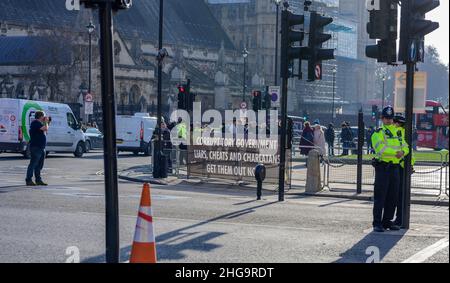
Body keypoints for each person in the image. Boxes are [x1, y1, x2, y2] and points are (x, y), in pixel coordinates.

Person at [371, 106, 409, 232]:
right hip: (383, 167)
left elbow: (406, 146)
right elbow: (380, 149)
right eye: (386, 118)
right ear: (382, 118)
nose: (388, 120)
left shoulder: (398, 132)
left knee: (392, 197)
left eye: (390, 118)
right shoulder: (378, 133)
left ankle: (387, 221)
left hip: (395, 168)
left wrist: (403, 151)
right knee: (380, 197)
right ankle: (377, 223)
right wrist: (396, 153)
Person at [393, 115, 416, 227]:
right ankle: (400, 219)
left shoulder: (397, 133)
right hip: (405, 167)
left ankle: (399, 219)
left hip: (399, 166)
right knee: (402, 195)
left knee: (399, 196)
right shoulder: (405, 133)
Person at [26, 111, 50, 186]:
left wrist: (47, 122)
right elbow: (45, 128)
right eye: (44, 116)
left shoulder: (39, 124)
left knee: (39, 165)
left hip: (41, 147)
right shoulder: (35, 123)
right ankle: (28, 180)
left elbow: (46, 129)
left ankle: (38, 180)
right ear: (41, 116)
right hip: (36, 147)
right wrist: (46, 122)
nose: (45, 117)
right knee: (33, 164)